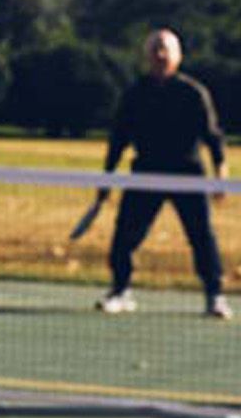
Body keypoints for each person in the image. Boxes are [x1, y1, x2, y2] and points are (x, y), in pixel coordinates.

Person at [91, 27, 230, 318]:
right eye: (155, 49)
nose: (160, 55)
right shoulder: (135, 94)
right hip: (146, 173)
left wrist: (221, 176)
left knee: (201, 236)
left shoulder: (193, 93)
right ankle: (120, 290)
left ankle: (215, 296)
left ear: (178, 56)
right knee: (125, 234)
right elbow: (118, 139)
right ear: (147, 56)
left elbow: (213, 137)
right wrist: (106, 179)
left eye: (166, 50)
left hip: (187, 174)